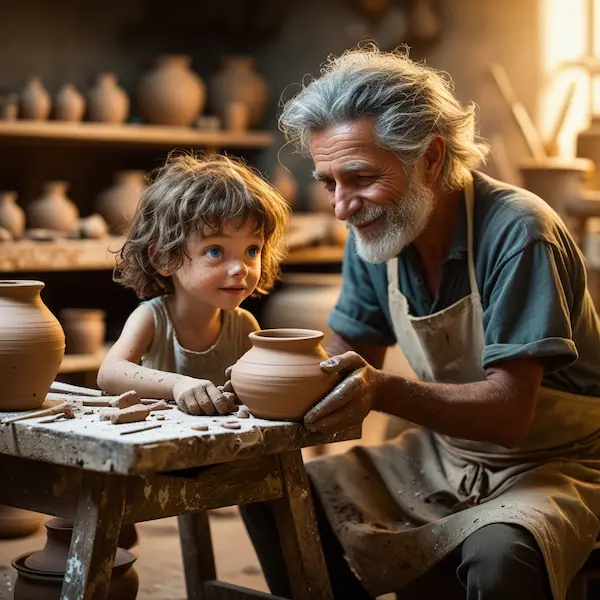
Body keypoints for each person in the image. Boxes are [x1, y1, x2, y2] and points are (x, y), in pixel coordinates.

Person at [240, 46, 600, 600]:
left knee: (500, 555)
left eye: (359, 177)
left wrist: (379, 390)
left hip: (559, 461)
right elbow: (338, 360)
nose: (342, 206)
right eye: (329, 181)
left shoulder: (520, 233)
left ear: (430, 158)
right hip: (448, 454)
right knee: (275, 497)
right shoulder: (375, 239)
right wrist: (229, 382)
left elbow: (509, 414)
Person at [97, 152, 289, 415]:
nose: (239, 268)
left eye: (252, 251)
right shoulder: (152, 319)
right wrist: (179, 385)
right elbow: (108, 373)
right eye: (215, 251)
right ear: (164, 257)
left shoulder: (243, 325)